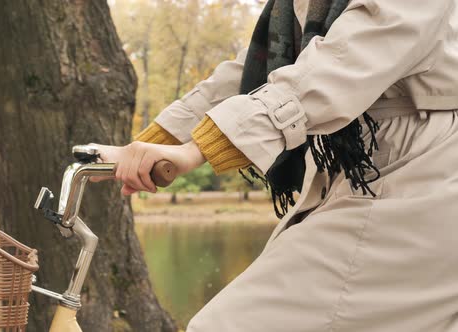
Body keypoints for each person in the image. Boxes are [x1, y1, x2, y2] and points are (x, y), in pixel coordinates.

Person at [92, 0, 458, 330]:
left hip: (419, 178)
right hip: (361, 170)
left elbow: (336, 67)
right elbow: (253, 74)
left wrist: (198, 149)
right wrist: (152, 143)